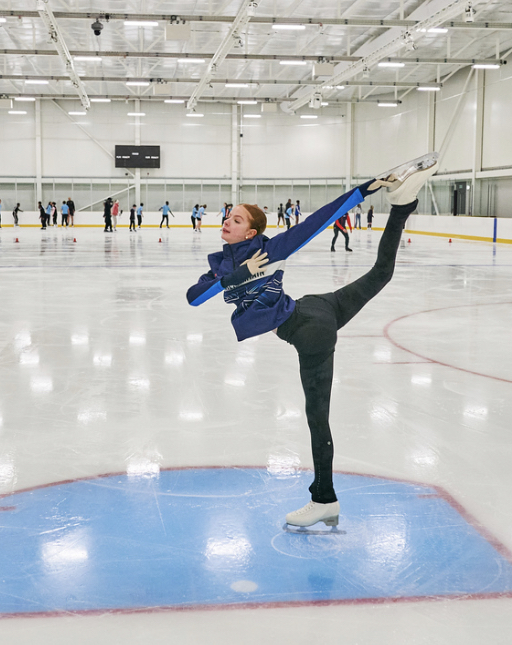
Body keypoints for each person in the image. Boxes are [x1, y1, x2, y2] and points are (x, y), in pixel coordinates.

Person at [186, 154, 439, 529]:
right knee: (380, 275)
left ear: (251, 233)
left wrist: (365, 189)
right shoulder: (223, 266)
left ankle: (324, 500)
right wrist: (237, 276)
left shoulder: (268, 251)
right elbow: (194, 296)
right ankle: (403, 205)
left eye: (235, 219)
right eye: (227, 216)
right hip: (318, 306)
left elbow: (317, 221)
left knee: (317, 418)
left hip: (309, 331)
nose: (227, 221)